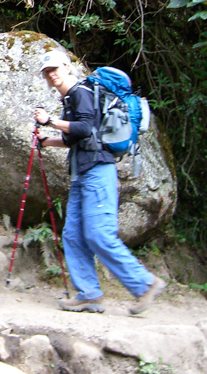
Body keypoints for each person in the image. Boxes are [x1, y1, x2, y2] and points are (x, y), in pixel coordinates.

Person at [33, 50, 166, 315]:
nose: (52, 74)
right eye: (47, 71)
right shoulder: (71, 99)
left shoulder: (81, 92)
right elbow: (75, 138)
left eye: (55, 68)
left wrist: (50, 121)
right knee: (72, 234)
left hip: (98, 172)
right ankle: (89, 294)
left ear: (67, 67)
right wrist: (48, 141)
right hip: (83, 173)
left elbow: (84, 128)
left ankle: (145, 284)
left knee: (98, 233)